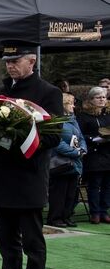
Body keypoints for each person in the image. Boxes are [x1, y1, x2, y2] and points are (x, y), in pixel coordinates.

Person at [0, 41, 63, 269]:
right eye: (7, 62)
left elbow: (53, 136)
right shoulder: (1, 90)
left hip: (28, 176)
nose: (10, 65)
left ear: (32, 61)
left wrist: (17, 139)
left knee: (32, 240)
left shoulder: (48, 93)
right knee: (6, 240)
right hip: (2, 175)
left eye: (15, 61)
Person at [46, 92, 86, 227]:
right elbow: (57, 142)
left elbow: (80, 137)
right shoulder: (56, 120)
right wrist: (75, 152)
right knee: (59, 193)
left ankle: (66, 216)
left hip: (74, 163)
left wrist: (82, 149)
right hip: (61, 163)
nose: (73, 106)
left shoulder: (73, 119)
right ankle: (55, 217)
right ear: (63, 104)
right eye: (70, 103)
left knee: (71, 193)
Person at [78, 86, 110, 223]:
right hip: (93, 155)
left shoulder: (108, 115)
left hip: (108, 154)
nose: (102, 99)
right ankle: (95, 212)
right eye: (98, 97)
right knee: (95, 185)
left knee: (108, 185)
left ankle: (104, 211)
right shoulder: (84, 116)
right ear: (91, 100)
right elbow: (79, 135)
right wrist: (93, 139)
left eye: (103, 97)